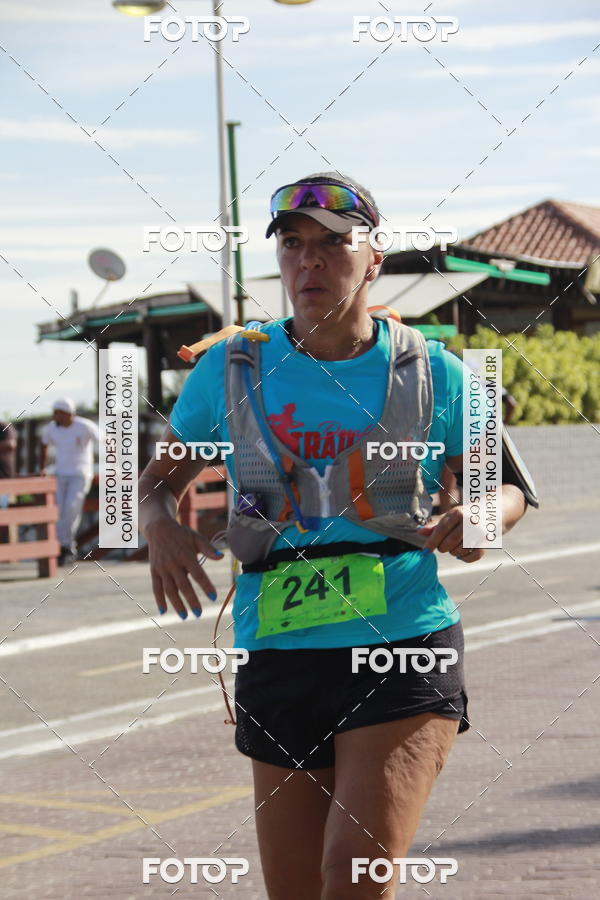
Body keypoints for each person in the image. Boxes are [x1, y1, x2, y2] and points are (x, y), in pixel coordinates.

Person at [138, 173, 533, 899]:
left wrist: (482, 516)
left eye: (332, 243)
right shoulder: (232, 369)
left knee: (353, 878)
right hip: (278, 650)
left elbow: (507, 488)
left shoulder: (435, 371)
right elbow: (154, 485)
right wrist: (160, 524)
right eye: (293, 244)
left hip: (401, 644)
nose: (309, 260)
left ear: (374, 257)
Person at [39, 398, 99, 565]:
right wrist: (42, 467)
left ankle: (66, 546)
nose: (54, 416)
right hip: (60, 474)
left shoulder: (84, 426)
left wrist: (113, 466)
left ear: (67, 413)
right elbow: (43, 445)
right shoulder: (52, 428)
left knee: (72, 508)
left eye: (57, 413)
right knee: (59, 511)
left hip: (80, 474)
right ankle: (64, 547)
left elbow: (106, 440)